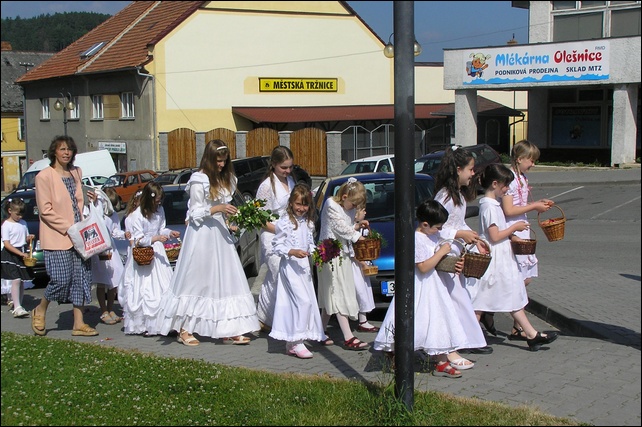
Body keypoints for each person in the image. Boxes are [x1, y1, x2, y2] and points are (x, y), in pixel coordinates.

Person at [157, 140, 259, 345]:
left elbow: (224, 207)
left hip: (220, 235)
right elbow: (194, 213)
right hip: (202, 235)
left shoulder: (226, 179)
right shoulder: (199, 179)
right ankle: (184, 328)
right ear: (209, 159)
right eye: (218, 161)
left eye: (224, 161)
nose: (221, 164)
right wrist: (218, 209)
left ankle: (228, 327)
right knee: (196, 280)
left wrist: (230, 221)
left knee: (226, 279)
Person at [374, 199, 469, 378]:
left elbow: (437, 254)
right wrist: (440, 253)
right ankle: (398, 353)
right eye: (437, 227)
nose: (439, 231)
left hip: (433, 283)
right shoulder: (417, 238)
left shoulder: (431, 235)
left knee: (437, 319)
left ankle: (440, 359)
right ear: (425, 224)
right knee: (418, 317)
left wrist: (448, 256)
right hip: (420, 284)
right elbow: (423, 266)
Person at [473, 163, 558, 351]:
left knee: (508, 292)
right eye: (505, 186)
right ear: (495, 184)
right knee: (482, 298)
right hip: (496, 258)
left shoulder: (493, 204)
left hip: (501, 257)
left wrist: (512, 235)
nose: (506, 190)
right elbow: (494, 236)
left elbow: (497, 232)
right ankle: (472, 336)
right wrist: (514, 228)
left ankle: (530, 333)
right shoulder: (488, 206)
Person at [30, 135, 98, 337]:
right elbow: (46, 210)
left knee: (80, 278)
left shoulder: (77, 172)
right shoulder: (44, 176)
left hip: (80, 237)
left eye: (69, 149)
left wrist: (90, 198)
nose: (66, 152)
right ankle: (40, 308)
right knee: (60, 279)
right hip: (58, 236)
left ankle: (79, 323)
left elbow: (77, 202)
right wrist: (69, 228)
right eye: (62, 149)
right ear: (54, 152)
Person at [433, 145, 492, 357]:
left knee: (460, 296)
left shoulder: (457, 194)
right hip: (445, 255)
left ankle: (467, 338)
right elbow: (436, 226)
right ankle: (465, 339)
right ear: (458, 169)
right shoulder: (445, 196)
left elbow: (459, 222)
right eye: (470, 169)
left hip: (455, 252)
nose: (473, 173)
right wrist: (459, 234)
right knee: (456, 297)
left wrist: (475, 238)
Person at [502, 140, 554, 340]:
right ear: (519, 159)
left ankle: (517, 326)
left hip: (522, 228)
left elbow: (520, 204)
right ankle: (516, 323)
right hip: (513, 228)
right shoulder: (511, 180)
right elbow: (509, 210)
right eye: (531, 160)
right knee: (521, 279)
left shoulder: (521, 177)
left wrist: (538, 203)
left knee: (526, 278)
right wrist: (533, 207)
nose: (533, 164)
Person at [269, 184, 326, 358]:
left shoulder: (307, 222)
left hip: (304, 269)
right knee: (303, 302)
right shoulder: (285, 221)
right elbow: (277, 245)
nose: (301, 208)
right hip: (290, 267)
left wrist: (318, 252)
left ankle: (291, 342)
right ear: (291, 203)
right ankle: (298, 341)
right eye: (298, 204)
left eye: (305, 205)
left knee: (306, 300)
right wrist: (292, 251)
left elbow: (309, 242)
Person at [118, 181, 180, 336]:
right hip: (144, 254)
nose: (158, 203)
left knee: (164, 285)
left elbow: (161, 228)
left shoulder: (160, 211)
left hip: (158, 253)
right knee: (146, 289)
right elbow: (138, 239)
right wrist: (155, 238)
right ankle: (146, 324)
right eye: (156, 200)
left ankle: (165, 322)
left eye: (160, 200)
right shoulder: (138, 215)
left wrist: (168, 233)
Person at [317, 177, 370, 351]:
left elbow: (348, 228)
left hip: (343, 254)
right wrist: (358, 236)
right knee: (337, 293)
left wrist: (358, 225)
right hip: (329, 254)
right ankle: (348, 337)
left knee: (331, 295)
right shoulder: (331, 204)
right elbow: (340, 228)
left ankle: (320, 331)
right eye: (353, 204)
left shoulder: (347, 209)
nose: (354, 208)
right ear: (345, 196)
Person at [255, 146, 296, 332]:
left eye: (290, 167)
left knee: (277, 278)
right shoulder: (266, 186)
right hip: (271, 235)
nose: (287, 171)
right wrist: (279, 230)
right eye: (284, 168)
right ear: (273, 165)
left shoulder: (292, 181)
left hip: (290, 234)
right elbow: (260, 218)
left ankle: (265, 316)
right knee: (278, 273)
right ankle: (281, 319)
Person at [91, 187, 126, 325]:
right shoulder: (98, 212)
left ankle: (111, 308)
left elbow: (115, 230)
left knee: (114, 280)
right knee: (102, 281)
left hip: (111, 248)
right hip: (100, 247)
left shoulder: (113, 215)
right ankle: (103, 310)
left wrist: (124, 234)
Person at [1, 197, 35, 318]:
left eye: (21, 214)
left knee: (21, 281)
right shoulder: (6, 225)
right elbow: (7, 243)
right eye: (17, 214)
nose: (20, 216)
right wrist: (20, 253)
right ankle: (17, 307)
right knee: (15, 279)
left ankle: (19, 304)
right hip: (10, 254)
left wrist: (29, 238)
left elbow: (24, 238)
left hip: (21, 253)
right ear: (10, 211)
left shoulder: (23, 223)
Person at [351, 205, 379, 333]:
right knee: (359, 291)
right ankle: (361, 320)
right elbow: (352, 251)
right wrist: (363, 263)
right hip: (356, 266)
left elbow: (370, 240)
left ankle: (363, 319)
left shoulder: (361, 230)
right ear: (356, 214)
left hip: (363, 264)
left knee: (365, 291)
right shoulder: (352, 231)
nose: (365, 212)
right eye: (363, 211)